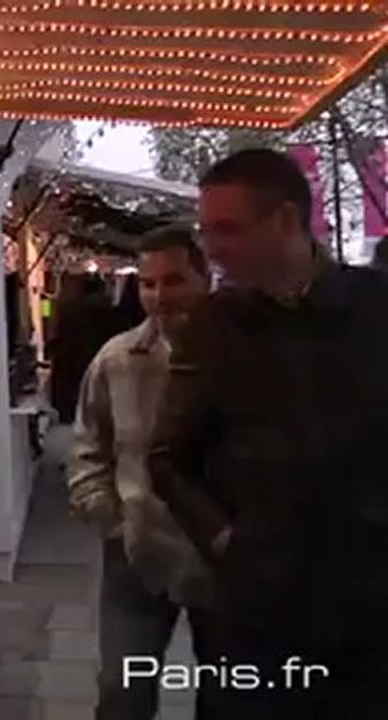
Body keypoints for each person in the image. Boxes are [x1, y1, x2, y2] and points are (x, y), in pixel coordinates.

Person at [149, 148, 388, 717]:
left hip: (373, 606)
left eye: (227, 229)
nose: (211, 248)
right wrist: (226, 540)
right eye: (206, 230)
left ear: (284, 220)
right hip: (261, 611)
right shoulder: (215, 324)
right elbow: (168, 458)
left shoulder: (376, 308)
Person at [68, 226, 214, 720]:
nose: (159, 296)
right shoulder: (117, 360)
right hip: (138, 552)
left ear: (205, 277)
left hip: (222, 560)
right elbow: (87, 447)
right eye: (148, 284)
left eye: (174, 281)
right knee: (122, 692)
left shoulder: (242, 355)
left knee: (232, 693)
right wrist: (112, 521)